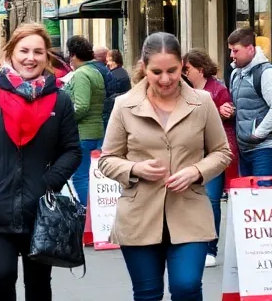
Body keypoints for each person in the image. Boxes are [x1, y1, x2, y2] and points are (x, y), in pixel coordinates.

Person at [99, 33, 233, 301]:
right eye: (156, 71)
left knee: (186, 286)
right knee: (148, 294)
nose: (165, 79)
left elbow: (222, 152)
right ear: (143, 67)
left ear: (182, 65)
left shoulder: (202, 102)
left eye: (172, 70)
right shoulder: (124, 105)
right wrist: (135, 169)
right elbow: (107, 160)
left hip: (189, 211)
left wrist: (196, 171)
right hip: (139, 215)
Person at [0, 24, 81, 301]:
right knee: (2, 275)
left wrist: (48, 181)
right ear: (11, 54)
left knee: (38, 283)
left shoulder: (59, 100)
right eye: (23, 50)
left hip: (41, 210)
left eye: (38, 52)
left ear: (46, 57)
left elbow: (72, 150)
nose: (30, 58)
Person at [182, 50, 238, 268]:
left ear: (200, 69)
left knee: (212, 201)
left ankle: (210, 248)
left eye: (187, 69)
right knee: (191, 201)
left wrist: (227, 111)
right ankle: (192, 243)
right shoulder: (182, 90)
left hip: (210, 154)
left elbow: (227, 119)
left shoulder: (218, 90)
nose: (184, 73)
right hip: (188, 152)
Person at [227, 27, 272, 176]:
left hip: (266, 149)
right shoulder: (236, 74)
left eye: (235, 51)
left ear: (250, 49)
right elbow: (243, 106)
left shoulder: (268, 73)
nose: (231, 55)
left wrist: (258, 134)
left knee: (264, 197)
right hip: (244, 149)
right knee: (249, 198)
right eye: (230, 50)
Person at [63, 36, 106, 209]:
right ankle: (94, 214)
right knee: (90, 176)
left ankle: (89, 215)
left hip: (83, 133)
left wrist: (63, 119)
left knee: (80, 177)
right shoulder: (95, 71)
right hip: (96, 131)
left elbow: (81, 107)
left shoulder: (81, 74)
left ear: (73, 55)